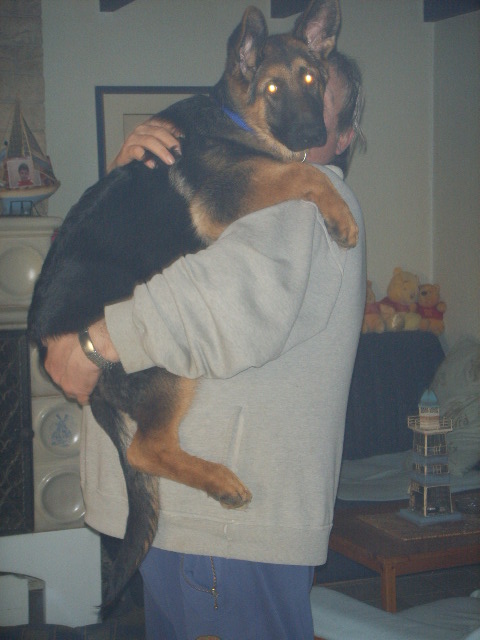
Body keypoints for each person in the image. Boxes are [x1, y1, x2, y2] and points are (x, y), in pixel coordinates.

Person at [44, 51, 366, 639]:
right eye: (277, 88)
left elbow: (216, 305)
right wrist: (127, 179)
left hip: (224, 537)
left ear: (344, 135)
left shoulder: (302, 201)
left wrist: (90, 346)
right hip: (200, 528)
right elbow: (117, 266)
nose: (294, 105)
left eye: (317, 92)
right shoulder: (249, 190)